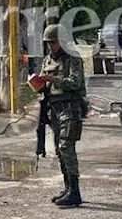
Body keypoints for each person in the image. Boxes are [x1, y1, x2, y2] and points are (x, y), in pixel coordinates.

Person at [37, 23, 88, 208]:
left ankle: (75, 192)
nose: (51, 46)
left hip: (70, 108)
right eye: (48, 43)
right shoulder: (48, 60)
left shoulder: (73, 58)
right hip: (55, 109)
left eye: (54, 42)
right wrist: (39, 84)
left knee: (67, 146)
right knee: (59, 149)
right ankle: (67, 188)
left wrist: (54, 79)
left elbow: (75, 82)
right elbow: (44, 83)